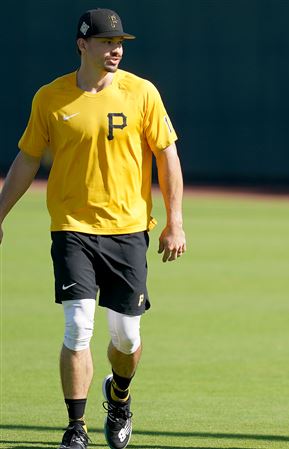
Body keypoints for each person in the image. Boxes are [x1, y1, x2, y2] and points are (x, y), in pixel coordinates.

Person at [0, 8, 186, 449]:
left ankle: (119, 397)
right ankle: (76, 427)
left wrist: (175, 221)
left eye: (119, 42)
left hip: (127, 229)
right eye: (105, 42)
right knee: (78, 326)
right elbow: (28, 158)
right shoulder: (50, 97)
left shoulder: (142, 93)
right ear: (83, 45)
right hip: (72, 228)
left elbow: (167, 156)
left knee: (126, 337)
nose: (115, 49)